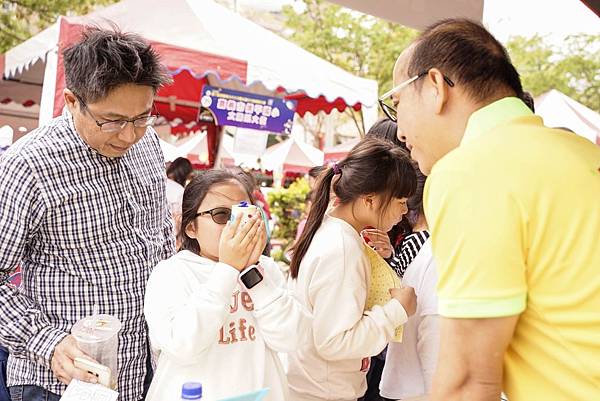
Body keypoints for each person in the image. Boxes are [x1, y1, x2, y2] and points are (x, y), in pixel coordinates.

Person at [382, 18, 600, 401]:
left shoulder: (469, 170)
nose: (399, 130)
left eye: (397, 103)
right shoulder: (583, 152)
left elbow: (468, 383)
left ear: (435, 86)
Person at [0, 27, 174, 401]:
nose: (128, 135)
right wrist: (47, 342)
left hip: (144, 371)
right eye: (110, 121)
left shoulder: (150, 146)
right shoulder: (27, 166)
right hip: (57, 382)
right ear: (71, 101)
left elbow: (159, 241)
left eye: (142, 117)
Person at [144, 170, 310, 401]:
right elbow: (182, 346)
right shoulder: (171, 272)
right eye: (222, 215)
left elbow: (292, 338)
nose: (237, 224)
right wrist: (228, 270)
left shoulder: (266, 270)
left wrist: (251, 273)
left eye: (245, 214)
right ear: (191, 227)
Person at [287, 137, 418, 401]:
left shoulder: (333, 232)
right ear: (370, 200)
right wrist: (396, 311)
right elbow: (334, 342)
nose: (404, 211)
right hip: (324, 393)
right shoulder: (343, 249)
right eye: (400, 200)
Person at [379, 171, 440, 401]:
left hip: (405, 383)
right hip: (421, 390)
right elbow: (433, 332)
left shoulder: (427, 247)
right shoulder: (435, 250)